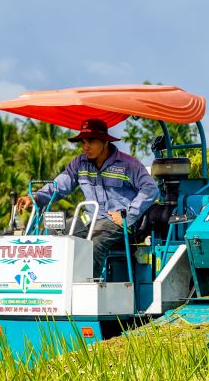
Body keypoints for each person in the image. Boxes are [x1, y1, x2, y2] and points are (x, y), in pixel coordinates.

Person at [16, 118, 159, 277]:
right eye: (82, 142)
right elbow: (60, 185)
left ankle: (89, 288)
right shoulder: (79, 163)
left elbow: (151, 188)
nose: (85, 147)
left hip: (118, 221)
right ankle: (51, 286)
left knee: (93, 242)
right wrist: (35, 197)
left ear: (104, 142)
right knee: (50, 233)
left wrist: (129, 214)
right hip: (89, 218)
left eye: (91, 141)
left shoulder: (127, 164)